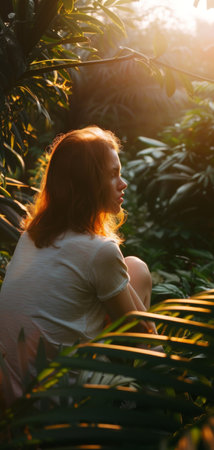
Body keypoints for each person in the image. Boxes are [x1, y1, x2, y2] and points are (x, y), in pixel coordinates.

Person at [0, 126, 155, 406]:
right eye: (112, 175)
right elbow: (147, 335)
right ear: (87, 183)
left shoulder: (31, 236)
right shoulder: (100, 251)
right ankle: (139, 405)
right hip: (58, 403)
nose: (123, 183)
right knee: (139, 275)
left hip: (10, 396)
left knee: (134, 268)